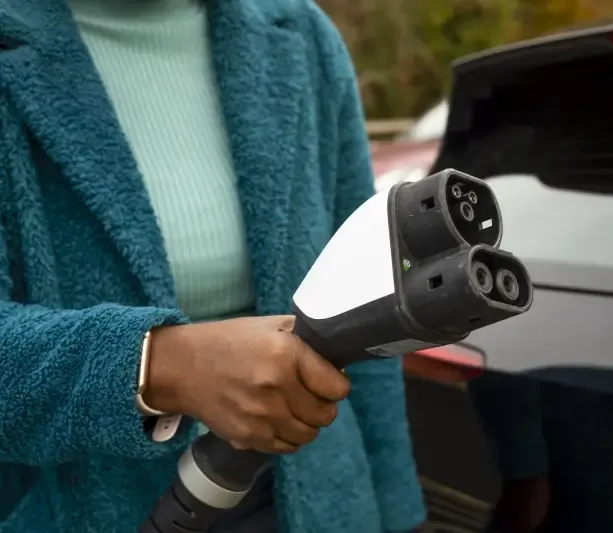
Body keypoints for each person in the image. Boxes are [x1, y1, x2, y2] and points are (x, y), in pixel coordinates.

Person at [0, 0, 426, 532]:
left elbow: (373, 303)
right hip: (90, 506)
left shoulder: (302, 33)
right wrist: (162, 365)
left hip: (314, 496)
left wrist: (394, 509)